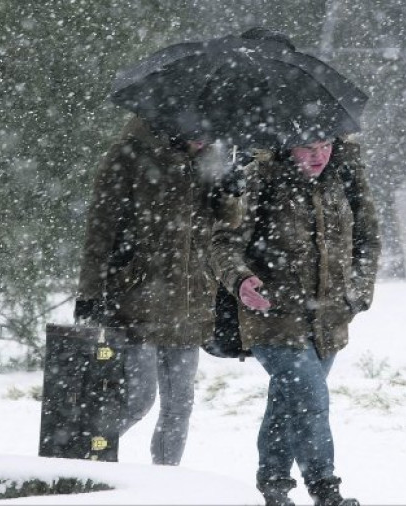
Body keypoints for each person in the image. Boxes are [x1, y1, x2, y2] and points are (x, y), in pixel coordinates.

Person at [211, 136, 381, 506]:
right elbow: (223, 245)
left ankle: (273, 485)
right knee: (310, 397)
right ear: (287, 146)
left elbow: (368, 240)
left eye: (325, 144)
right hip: (272, 317)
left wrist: (357, 293)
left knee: (287, 400)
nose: (319, 155)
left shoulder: (345, 176)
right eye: (307, 146)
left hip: (329, 317)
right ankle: (326, 491)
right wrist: (240, 281)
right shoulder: (260, 179)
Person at [75, 115, 238, 465]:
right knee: (138, 399)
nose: (203, 140)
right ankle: (79, 456)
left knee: (180, 405)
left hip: (191, 298)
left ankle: (166, 485)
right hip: (138, 299)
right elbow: (100, 229)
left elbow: (225, 227)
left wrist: (229, 192)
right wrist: (89, 293)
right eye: (196, 131)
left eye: (209, 133)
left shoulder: (211, 160)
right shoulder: (130, 155)